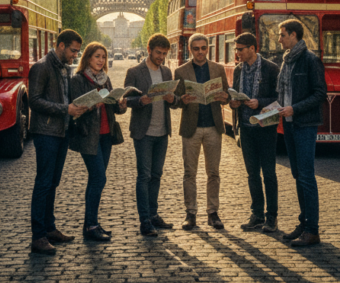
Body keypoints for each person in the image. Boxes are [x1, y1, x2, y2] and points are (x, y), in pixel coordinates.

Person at [28, 29, 86, 255]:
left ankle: (50, 229)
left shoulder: (65, 68)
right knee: (43, 183)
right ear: (60, 45)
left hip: (61, 132)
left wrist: (78, 107)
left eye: (77, 52)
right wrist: (66, 109)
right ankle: (38, 236)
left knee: (53, 182)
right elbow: (34, 101)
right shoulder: (41, 67)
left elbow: (64, 98)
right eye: (73, 51)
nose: (75, 55)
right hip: (45, 133)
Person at [276, 19, 327, 247]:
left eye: (282, 34)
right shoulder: (287, 61)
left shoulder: (310, 60)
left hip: (304, 125)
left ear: (294, 35)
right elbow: (285, 94)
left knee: (306, 176)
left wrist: (295, 109)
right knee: (298, 175)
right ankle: (304, 222)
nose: (279, 39)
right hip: (288, 123)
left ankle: (312, 230)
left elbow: (319, 94)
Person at [68, 42, 126, 241]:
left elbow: (114, 110)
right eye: (97, 56)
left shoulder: (105, 79)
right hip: (88, 136)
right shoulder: (78, 80)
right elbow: (76, 109)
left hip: (106, 135)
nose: (101, 60)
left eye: (103, 56)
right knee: (99, 178)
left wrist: (121, 104)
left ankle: (91, 224)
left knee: (96, 180)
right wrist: (93, 104)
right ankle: (91, 225)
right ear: (87, 58)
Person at [174, 33, 230, 231]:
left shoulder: (218, 69)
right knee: (190, 172)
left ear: (208, 49)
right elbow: (175, 100)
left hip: (214, 126)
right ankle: (191, 213)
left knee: (213, 172)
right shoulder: (181, 71)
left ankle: (212, 212)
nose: (200, 52)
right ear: (190, 49)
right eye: (196, 49)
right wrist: (182, 100)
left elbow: (227, 96)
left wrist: (224, 97)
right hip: (191, 127)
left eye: (203, 48)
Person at [125, 33, 179, 237]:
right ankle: (144, 220)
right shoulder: (135, 71)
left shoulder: (166, 72)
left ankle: (154, 214)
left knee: (156, 175)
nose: (161, 57)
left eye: (164, 54)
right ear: (149, 50)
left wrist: (172, 98)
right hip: (144, 132)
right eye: (158, 53)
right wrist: (140, 101)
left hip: (162, 131)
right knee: (144, 176)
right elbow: (125, 100)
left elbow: (174, 104)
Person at [229, 32, 281, 233]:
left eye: (240, 49)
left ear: (252, 48)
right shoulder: (238, 70)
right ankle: (257, 214)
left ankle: (272, 217)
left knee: (269, 173)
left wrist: (260, 103)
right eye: (237, 49)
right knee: (252, 174)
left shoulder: (271, 68)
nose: (237, 53)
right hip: (246, 127)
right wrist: (234, 103)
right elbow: (235, 93)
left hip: (265, 128)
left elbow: (279, 97)